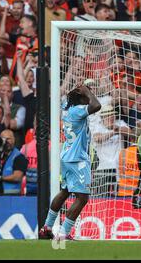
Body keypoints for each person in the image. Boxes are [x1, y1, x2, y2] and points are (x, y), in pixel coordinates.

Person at [38, 84, 101, 240]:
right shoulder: (78, 110)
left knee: (65, 192)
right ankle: (63, 233)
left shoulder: (66, 109)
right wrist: (87, 92)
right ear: (81, 98)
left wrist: (81, 91)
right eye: (86, 96)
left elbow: (72, 98)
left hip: (67, 156)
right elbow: (96, 105)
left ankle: (46, 227)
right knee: (82, 198)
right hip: (77, 159)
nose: (88, 98)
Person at [0, 129, 28, 195]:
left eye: (8, 139)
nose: (6, 142)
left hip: (11, 196)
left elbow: (17, 177)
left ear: (14, 140)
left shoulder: (19, 157)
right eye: (3, 139)